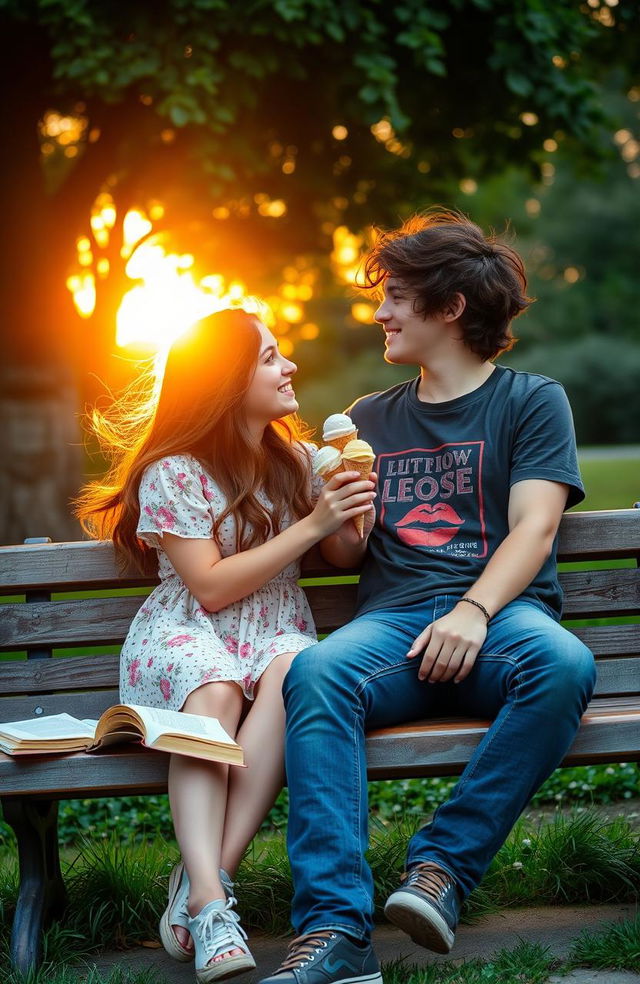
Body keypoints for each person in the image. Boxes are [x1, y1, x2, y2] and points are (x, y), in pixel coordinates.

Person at [259, 210, 597, 984]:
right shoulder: (372, 417)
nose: (380, 312)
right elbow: (349, 552)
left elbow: (535, 528)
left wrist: (473, 610)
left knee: (564, 664)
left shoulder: (531, 401)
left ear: (451, 309)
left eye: (398, 297)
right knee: (316, 673)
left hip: (501, 619)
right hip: (394, 629)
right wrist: (343, 511)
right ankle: (337, 933)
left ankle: (440, 869)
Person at [75, 307, 376, 984]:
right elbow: (209, 588)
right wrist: (312, 526)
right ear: (225, 381)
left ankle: (208, 886)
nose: (289, 366)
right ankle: (211, 905)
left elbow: (342, 548)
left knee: (295, 672)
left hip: (273, 629)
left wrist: (353, 512)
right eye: (270, 357)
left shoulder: (297, 461)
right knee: (212, 686)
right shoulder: (173, 471)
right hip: (186, 632)